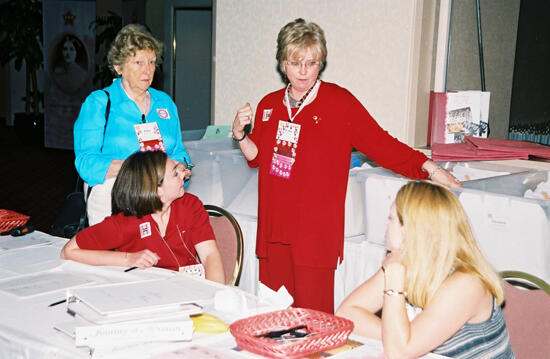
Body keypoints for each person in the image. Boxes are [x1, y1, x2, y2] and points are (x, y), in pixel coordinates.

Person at [231, 18, 460, 313]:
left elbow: (382, 145)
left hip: (314, 232)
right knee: (274, 317)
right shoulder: (269, 105)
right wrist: (240, 134)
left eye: (311, 63)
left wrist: (430, 167)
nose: (303, 72)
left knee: (313, 321)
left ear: (321, 64)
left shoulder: (339, 102)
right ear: (282, 63)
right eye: (295, 62)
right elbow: (257, 158)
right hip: (274, 229)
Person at [336, 181, 515, 359]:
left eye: (391, 218)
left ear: (411, 229)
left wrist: (394, 280)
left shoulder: (466, 283)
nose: (385, 223)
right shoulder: (402, 261)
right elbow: (347, 314)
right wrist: (400, 337)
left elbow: (398, 352)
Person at [74, 24, 191, 226]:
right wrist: (139, 170)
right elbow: (86, 163)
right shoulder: (99, 103)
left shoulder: (165, 103)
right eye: (138, 62)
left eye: (152, 62)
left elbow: (179, 151)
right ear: (119, 67)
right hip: (113, 202)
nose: (147, 70)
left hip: (161, 203)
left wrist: (181, 167)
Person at [61, 150, 225, 284]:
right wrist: (127, 259)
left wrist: (215, 295)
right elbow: (69, 251)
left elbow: (210, 255)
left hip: (188, 289)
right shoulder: (126, 222)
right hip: (142, 295)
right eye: (175, 174)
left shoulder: (190, 206)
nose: (183, 176)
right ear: (156, 190)